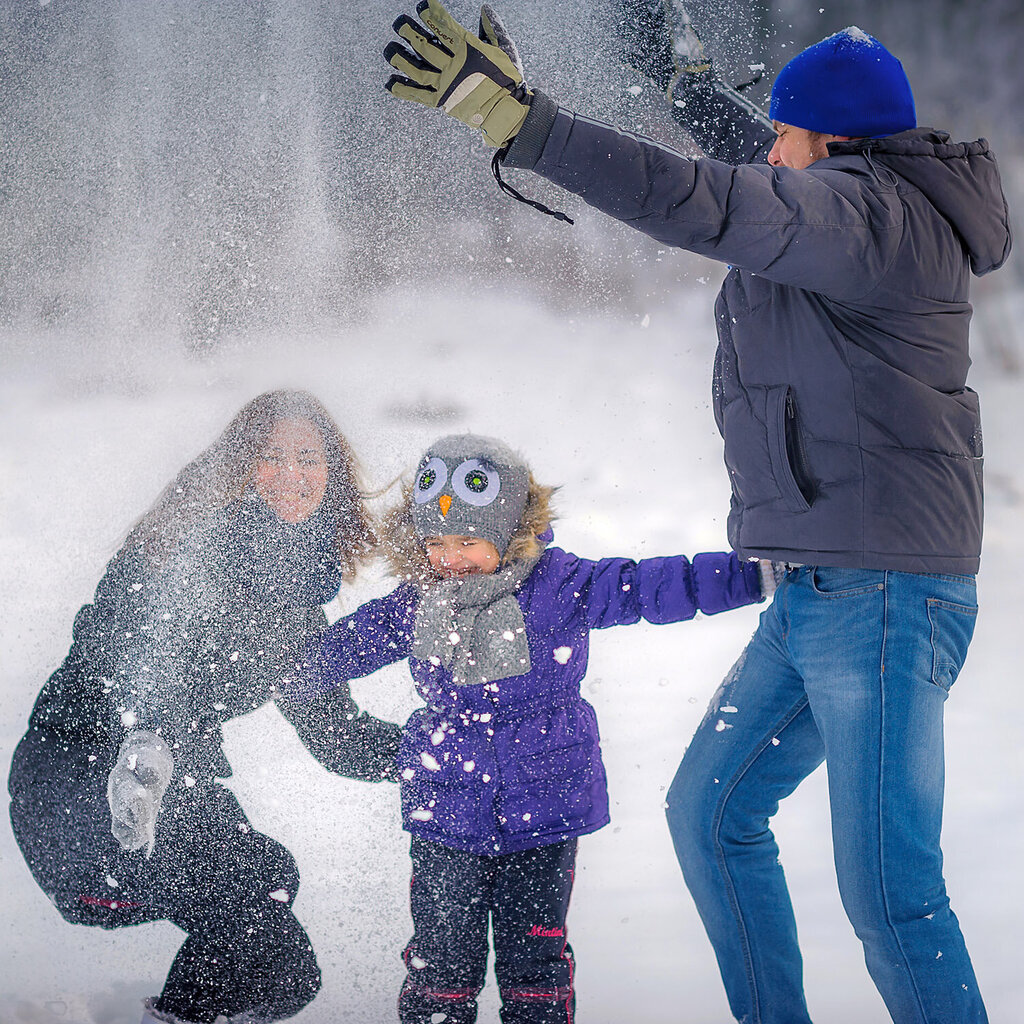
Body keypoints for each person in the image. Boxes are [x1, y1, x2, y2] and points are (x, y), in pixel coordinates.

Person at [381, 5, 1012, 1023]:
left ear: (831, 145)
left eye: (783, 132)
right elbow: (765, 186)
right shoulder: (865, 200)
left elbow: (717, 205)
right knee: (711, 815)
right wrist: (690, 99)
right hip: (821, 588)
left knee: (890, 896)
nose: (768, 148)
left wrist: (521, 122)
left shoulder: (864, 219)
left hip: (885, 599)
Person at [287, 432, 764, 1024]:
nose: (450, 558)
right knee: (441, 961)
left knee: (534, 961)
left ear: (512, 532)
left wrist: (754, 575)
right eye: (435, 542)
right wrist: (268, 667)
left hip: (546, 807)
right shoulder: (417, 603)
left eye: (469, 540)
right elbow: (339, 648)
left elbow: (654, 585)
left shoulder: (559, 586)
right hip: (446, 805)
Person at [7, 390, 402, 1024]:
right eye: (271, 458)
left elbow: (337, 735)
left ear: (333, 474)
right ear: (240, 465)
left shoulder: (291, 599)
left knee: (268, 906)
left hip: (168, 793)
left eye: (309, 458)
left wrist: (440, 750)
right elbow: (136, 643)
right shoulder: (185, 549)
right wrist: (149, 737)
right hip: (84, 792)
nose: (292, 477)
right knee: (267, 943)